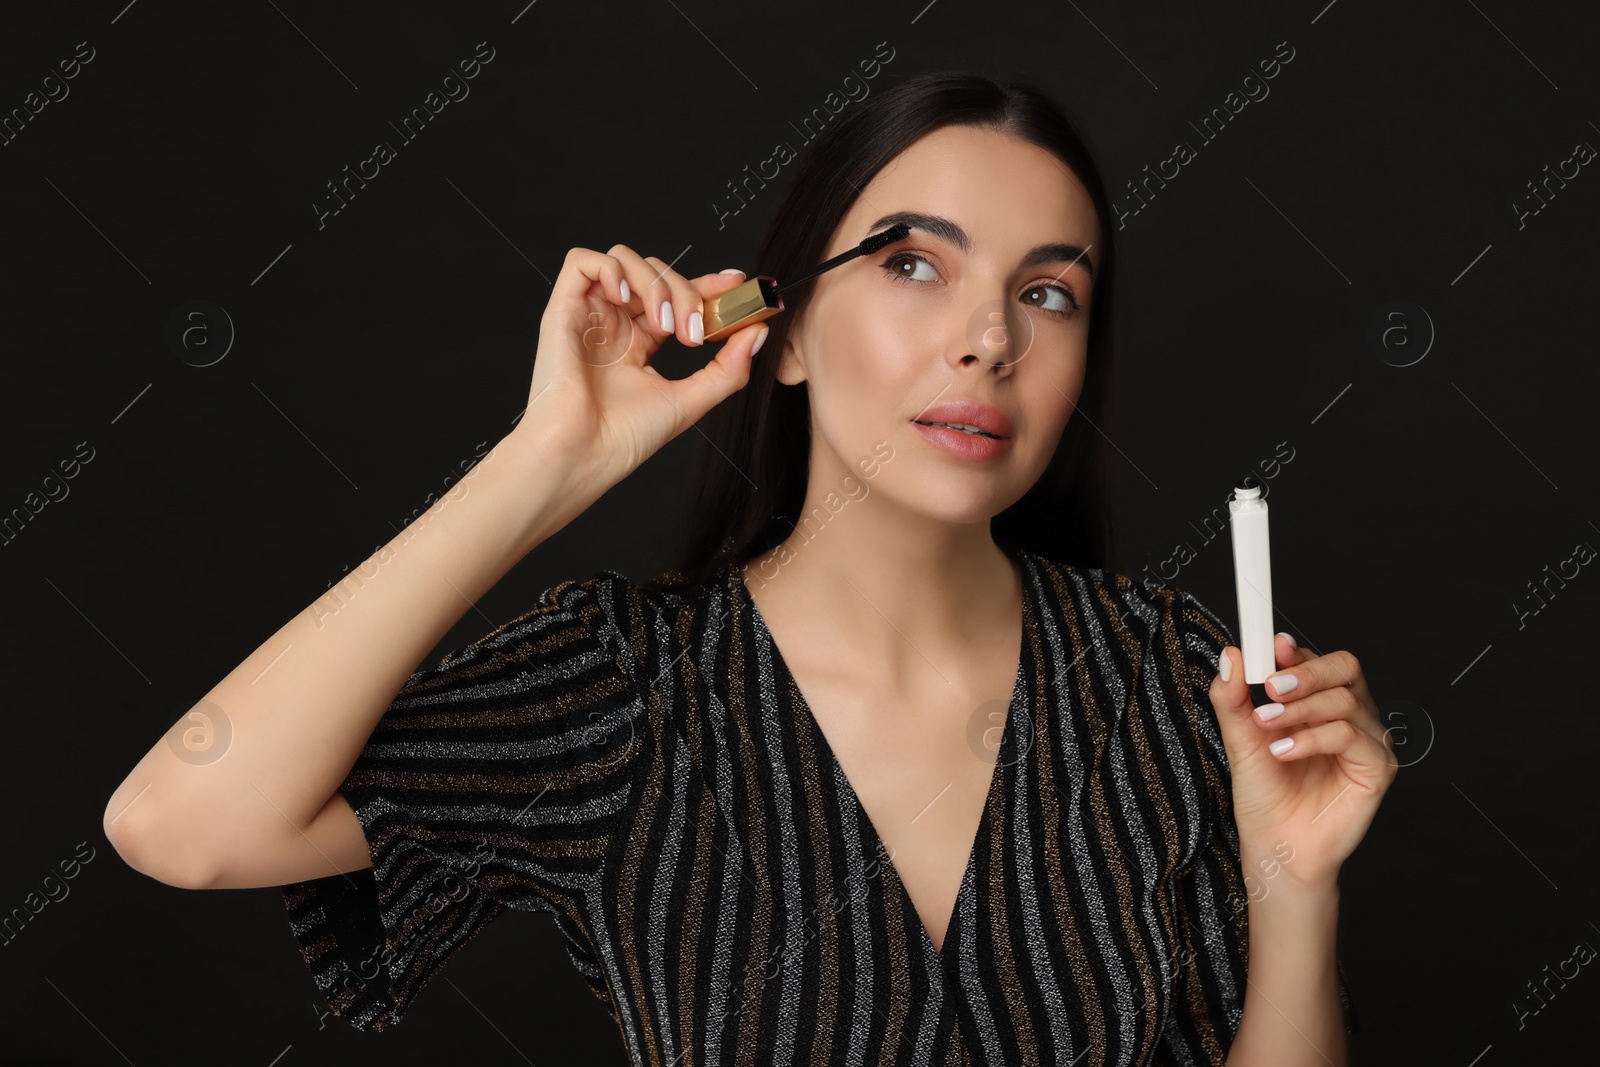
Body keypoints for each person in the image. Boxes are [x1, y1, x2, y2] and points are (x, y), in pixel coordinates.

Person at [103, 69, 1391, 1065]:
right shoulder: (626, 690)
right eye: (910, 264)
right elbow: (184, 821)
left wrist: (1296, 879)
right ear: (782, 333)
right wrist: (545, 461)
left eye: (1048, 293)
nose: (988, 338)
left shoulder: (1172, 677)